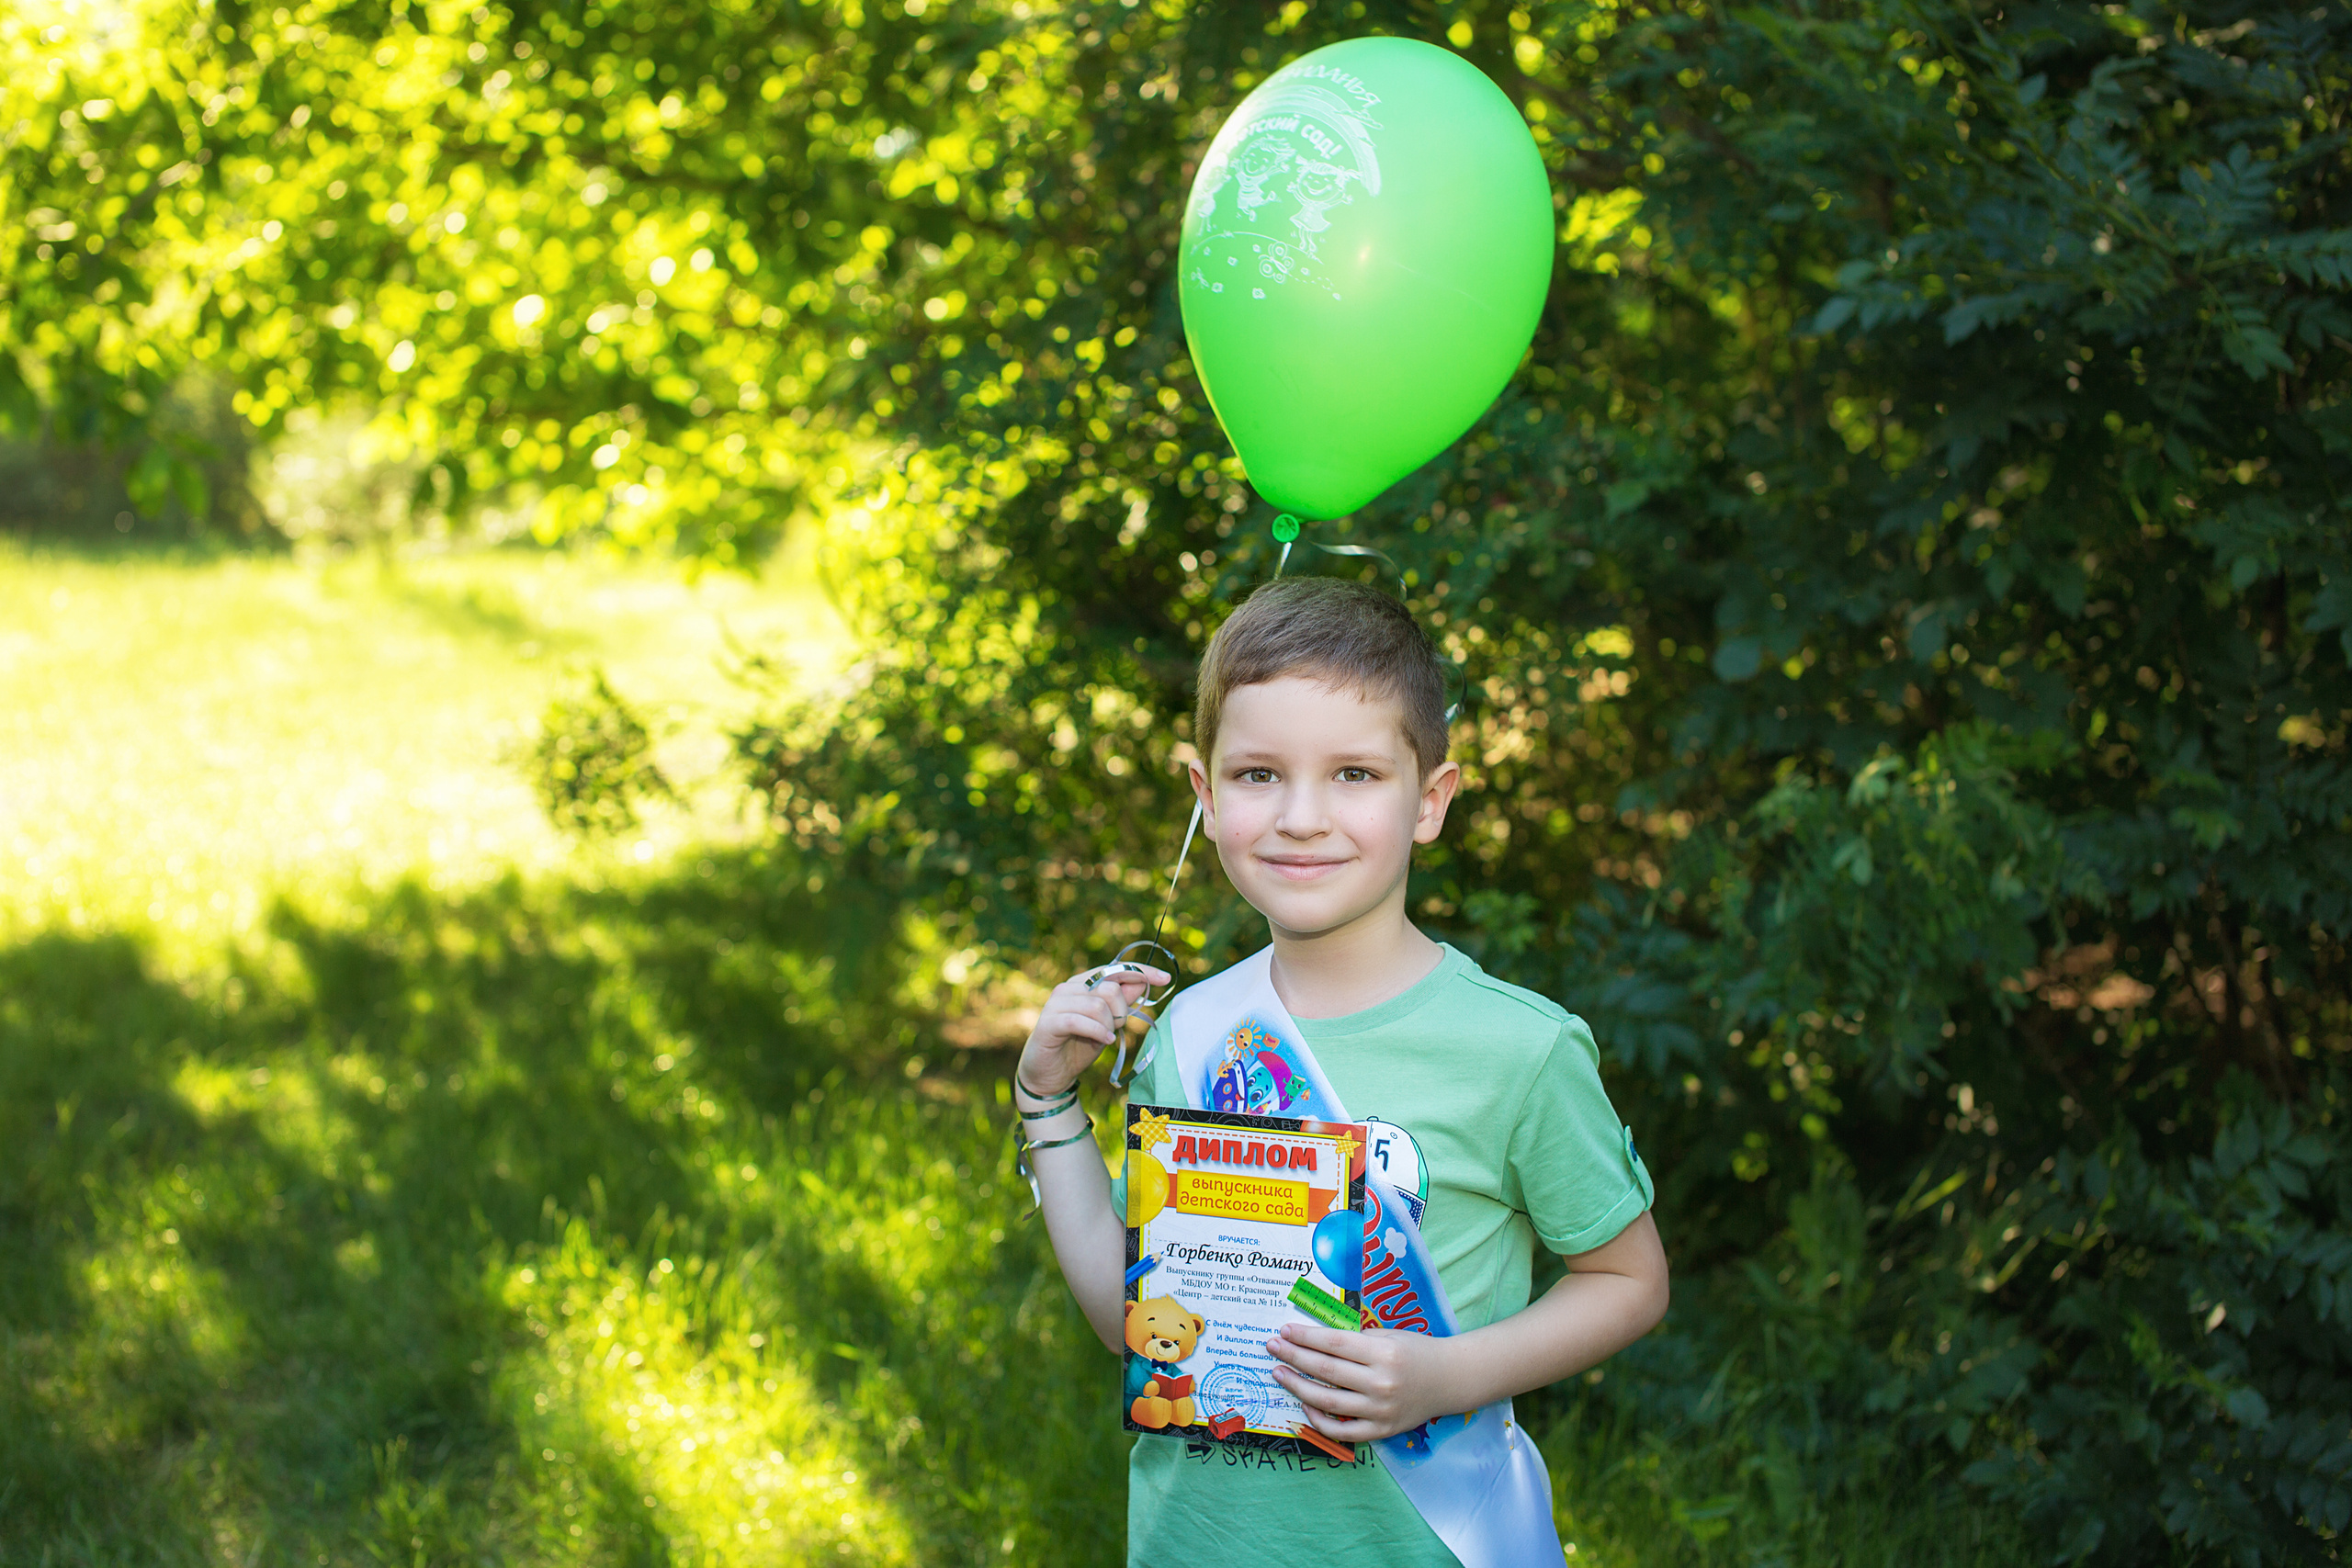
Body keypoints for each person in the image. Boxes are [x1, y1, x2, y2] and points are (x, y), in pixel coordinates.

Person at [1013, 574, 1669, 1563]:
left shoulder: (1520, 1051)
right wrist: (1047, 1101)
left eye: (1355, 775)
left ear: (1429, 801)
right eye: (1258, 775)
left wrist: (1446, 1377)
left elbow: (1628, 1281)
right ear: (1204, 792)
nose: (1301, 817)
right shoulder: (1194, 1032)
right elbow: (1131, 1323)